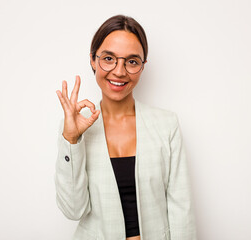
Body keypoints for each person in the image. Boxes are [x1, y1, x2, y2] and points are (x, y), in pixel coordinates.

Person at [55, 15, 196, 240]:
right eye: (109, 58)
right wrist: (71, 140)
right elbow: (73, 210)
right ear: (93, 59)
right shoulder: (75, 128)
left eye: (131, 61)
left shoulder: (166, 125)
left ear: (142, 66)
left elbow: (181, 209)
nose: (119, 71)